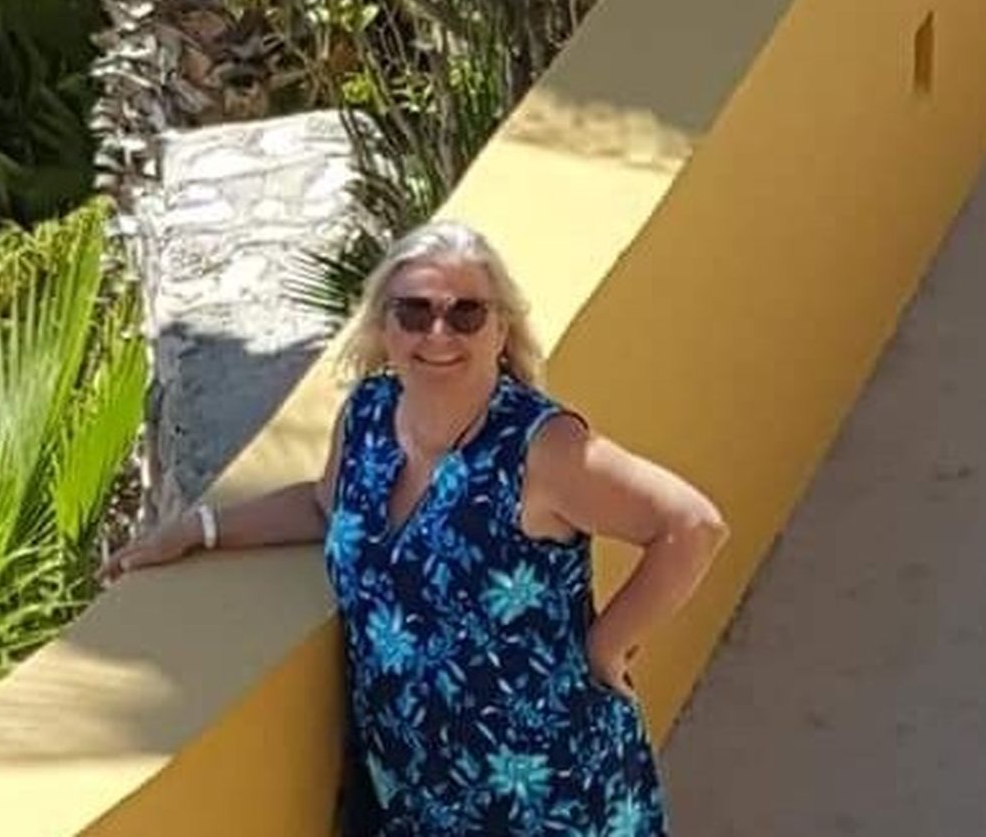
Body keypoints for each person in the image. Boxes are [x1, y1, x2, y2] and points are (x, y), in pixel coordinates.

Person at [97, 220, 729, 835]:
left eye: (466, 313)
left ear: (502, 330)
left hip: (549, 786)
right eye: (414, 312)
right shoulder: (369, 416)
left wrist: (607, 646)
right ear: (384, 328)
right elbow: (325, 506)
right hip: (417, 784)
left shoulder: (541, 448)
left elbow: (692, 525)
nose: (438, 333)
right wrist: (201, 528)